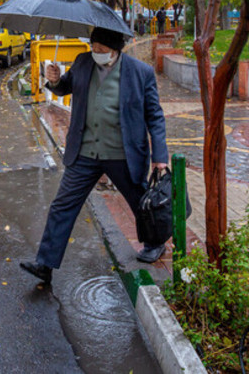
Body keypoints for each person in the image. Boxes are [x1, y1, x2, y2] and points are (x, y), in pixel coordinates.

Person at [20, 27, 169, 284]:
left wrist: (160, 155)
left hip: (123, 153)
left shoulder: (139, 73)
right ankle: (45, 264)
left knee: (140, 202)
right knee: (62, 205)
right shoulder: (82, 62)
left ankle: (155, 243)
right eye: (93, 46)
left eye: (101, 48)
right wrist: (54, 79)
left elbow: (154, 116)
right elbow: (64, 88)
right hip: (85, 152)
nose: (96, 51)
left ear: (115, 48)